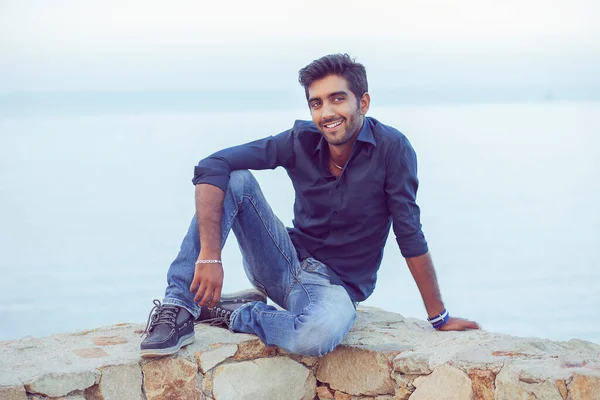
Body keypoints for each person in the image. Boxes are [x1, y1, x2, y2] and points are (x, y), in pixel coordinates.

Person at [140, 53, 479, 358]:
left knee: (314, 336)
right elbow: (211, 164)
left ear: (363, 102)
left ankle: (230, 313)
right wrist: (210, 256)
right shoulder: (299, 140)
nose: (327, 113)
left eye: (337, 99)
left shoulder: (393, 149)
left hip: (337, 287)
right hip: (281, 261)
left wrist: (439, 317)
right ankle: (178, 307)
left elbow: (409, 233)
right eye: (316, 103)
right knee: (235, 179)